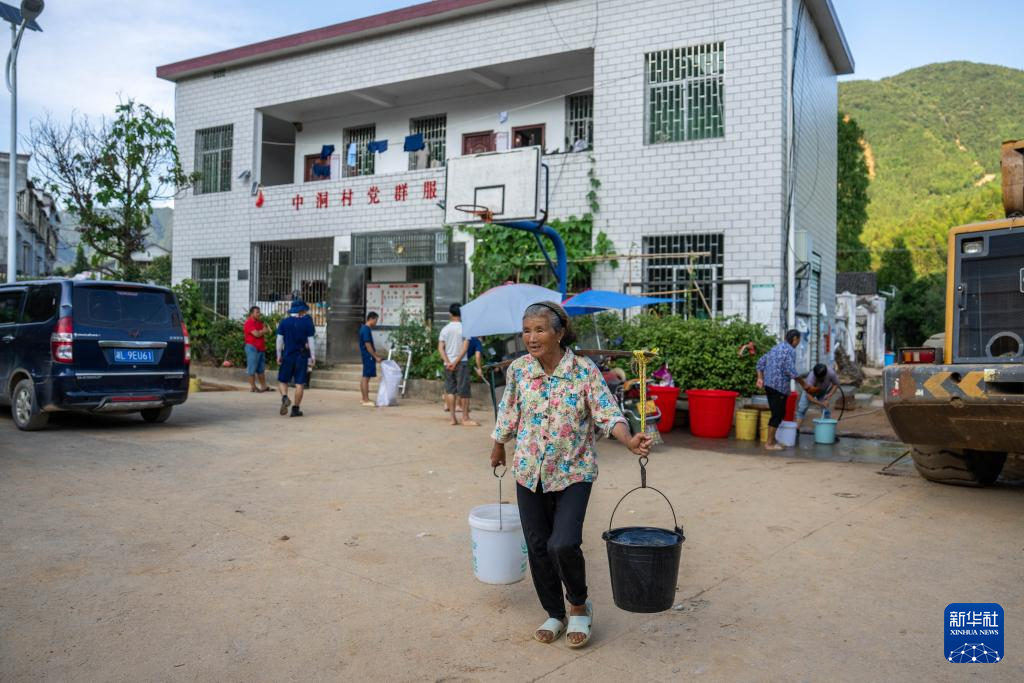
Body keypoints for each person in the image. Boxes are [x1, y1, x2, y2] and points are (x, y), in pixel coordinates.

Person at [490, 302, 652, 648]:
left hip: (573, 471)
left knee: (562, 543)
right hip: (528, 471)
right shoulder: (519, 370)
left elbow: (608, 413)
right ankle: (554, 612)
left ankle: (578, 605)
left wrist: (628, 439)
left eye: (539, 330)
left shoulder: (583, 371)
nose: (531, 338)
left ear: (559, 333)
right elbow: (509, 409)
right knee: (537, 545)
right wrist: (498, 444)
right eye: (526, 330)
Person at [756, 329, 808, 450]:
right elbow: (790, 371)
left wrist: (760, 378)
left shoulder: (776, 347)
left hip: (769, 385)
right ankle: (769, 443)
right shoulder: (790, 350)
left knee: (779, 413)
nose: (799, 342)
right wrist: (804, 384)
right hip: (778, 387)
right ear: (794, 339)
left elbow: (760, 363)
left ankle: (773, 440)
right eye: (799, 340)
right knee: (777, 414)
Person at [438, 303, 477, 426]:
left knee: (450, 391)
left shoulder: (445, 329)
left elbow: (440, 348)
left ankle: (452, 418)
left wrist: (449, 362)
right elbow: (465, 348)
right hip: (462, 363)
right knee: (464, 391)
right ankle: (465, 418)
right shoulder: (465, 328)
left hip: (448, 365)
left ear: (450, 314)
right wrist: (456, 362)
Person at [276, 299, 316, 417]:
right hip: (302, 356)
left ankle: (284, 397)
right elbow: (311, 341)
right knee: (300, 383)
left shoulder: (284, 322)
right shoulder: (307, 323)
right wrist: (312, 356)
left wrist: (278, 355)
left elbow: (279, 340)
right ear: (302, 310)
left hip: (287, 355)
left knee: (283, 380)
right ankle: (295, 409)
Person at [243, 306, 271, 393]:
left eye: (259, 312)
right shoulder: (249, 323)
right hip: (252, 347)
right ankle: (253, 387)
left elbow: (261, 334)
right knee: (252, 368)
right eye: (257, 312)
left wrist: (263, 332)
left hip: (260, 348)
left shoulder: (259, 323)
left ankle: (264, 386)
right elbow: (256, 334)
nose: (259, 314)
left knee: (261, 369)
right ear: (252, 313)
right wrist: (265, 330)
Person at [359, 312, 383, 407]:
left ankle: (364, 398)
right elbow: (368, 344)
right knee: (366, 378)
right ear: (371, 319)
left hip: (366, 355)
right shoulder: (366, 329)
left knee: (364, 377)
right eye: (376, 320)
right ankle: (365, 400)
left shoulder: (363, 328)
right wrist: (375, 356)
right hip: (368, 356)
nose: (376, 323)